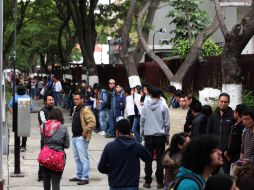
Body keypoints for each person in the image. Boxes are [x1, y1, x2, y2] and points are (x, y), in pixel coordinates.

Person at [98, 119, 152, 190]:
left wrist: (111, 171)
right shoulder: (136, 146)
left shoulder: (109, 146)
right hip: (132, 184)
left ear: (117, 132)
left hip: (115, 184)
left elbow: (101, 167)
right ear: (129, 132)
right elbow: (149, 158)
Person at [140, 86, 170, 189]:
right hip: (160, 136)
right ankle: (159, 182)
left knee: (148, 159)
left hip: (148, 135)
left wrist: (142, 133)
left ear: (151, 94)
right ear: (159, 95)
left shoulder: (145, 106)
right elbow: (167, 124)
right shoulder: (164, 106)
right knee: (160, 159)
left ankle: (147, 181)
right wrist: (167, 136)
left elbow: (142, 121)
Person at [69, 92, 96, 185]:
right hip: (75, 137)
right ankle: (79, 175)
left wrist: (86, 130)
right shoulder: (76, 109)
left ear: (82, 100)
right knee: (77, 158)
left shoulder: (85, 110)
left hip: (81, 138)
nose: (75, 101)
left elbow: (92, 121)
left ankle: (85, 177)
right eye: (74, 99)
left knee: (84, 158)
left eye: (77, 99)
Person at [40, 108, 70, 190]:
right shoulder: (63, 128)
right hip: (58, 156)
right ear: (61, 117)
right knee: (56, 182)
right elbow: (67, 145)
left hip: (45, 156)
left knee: (46, 179)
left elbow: (43, 140)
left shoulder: (43, 126)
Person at [206, 93, 234, 174]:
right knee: (214, 174)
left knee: (225, 175)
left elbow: (234, 135)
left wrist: (229, 150)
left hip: (226, 153)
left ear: (228, 103)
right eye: (221, 101)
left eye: (225, 102)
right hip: (215, 151)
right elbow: (208, 132)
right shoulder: (213, 115)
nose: (223, 104)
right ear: (218, 101)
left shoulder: (232, 115)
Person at [8, 84, 33, 152]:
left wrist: (13, 113)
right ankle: (23, 146)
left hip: (16, 117)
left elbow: (9, 106)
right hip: (25, 117)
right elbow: (31, 108)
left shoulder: (14, 97)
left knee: (17, 131)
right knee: (24, 132)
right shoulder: (27, 97)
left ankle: (17, 144)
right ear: (25, 90)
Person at [37, 95, 55, 182]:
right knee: (44, 156)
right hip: (45, 137)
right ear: (45, 101)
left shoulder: (55, 111)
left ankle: (52, 174)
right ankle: (41, 175)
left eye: (52, 100)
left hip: (55, 137)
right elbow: (44, 123)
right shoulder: (42, 111)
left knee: (54, 156)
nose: (51, 101)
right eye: (49, 100)